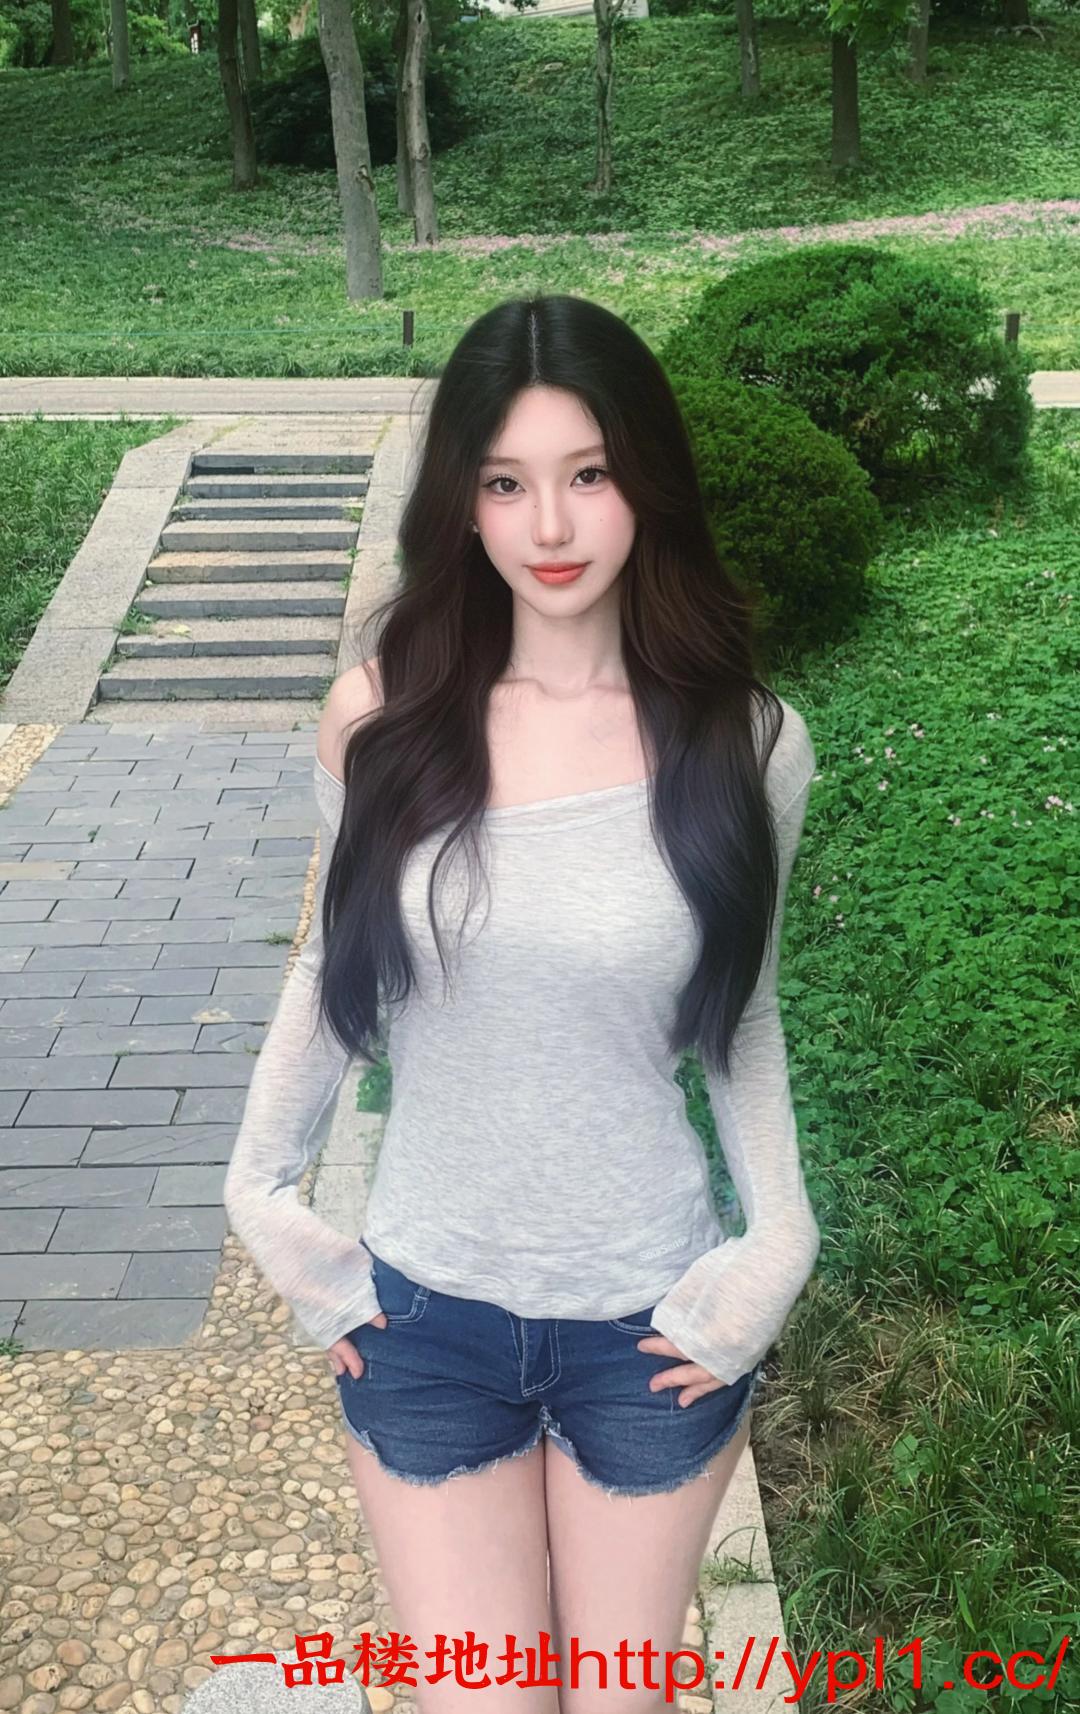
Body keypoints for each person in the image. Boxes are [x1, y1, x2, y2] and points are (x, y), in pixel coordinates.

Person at [223, 294, 822, 1713]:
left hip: (649, 1327)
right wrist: (260, 1192)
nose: (550, 525)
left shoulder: (748, 742)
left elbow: (741, 1013)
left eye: (588, 473)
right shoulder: (381, 718)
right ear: (462, 501)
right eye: (505, 482)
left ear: (645, 480)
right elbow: (331, 967)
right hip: (424, 1320)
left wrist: (780, 1238)